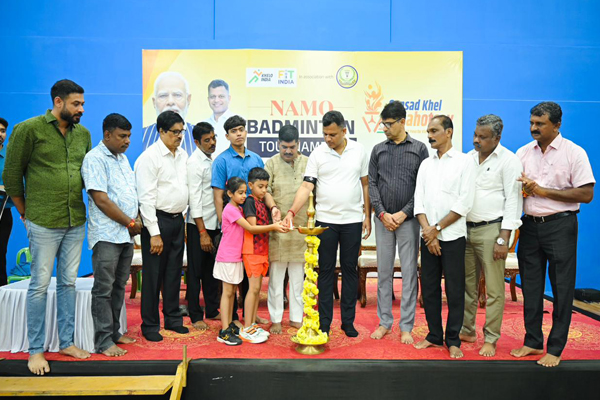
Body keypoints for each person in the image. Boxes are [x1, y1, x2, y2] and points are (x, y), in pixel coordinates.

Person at [3, 79, 92, 374]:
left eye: (82, 103)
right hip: (42, 220)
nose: (81, 109)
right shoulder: (28, 129)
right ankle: (36, 351)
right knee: (39, 286)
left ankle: (67, 342)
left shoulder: (83, 135)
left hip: (74, 219)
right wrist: (25, 211)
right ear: (58, 102)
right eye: (76, 104)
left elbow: (86, 175)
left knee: (68, 283)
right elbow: (12, 174)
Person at [511, 102, 594, 367]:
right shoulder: (523, 152)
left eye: (540, 123)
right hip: (529, 226)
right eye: (531, 123)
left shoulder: (574, 153)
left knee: (561, 288)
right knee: (530, 287)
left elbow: (586, 194)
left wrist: (542, 191)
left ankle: (555, 348)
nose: (533, 128)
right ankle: (533, 341)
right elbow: (516, 190)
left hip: (561, 226)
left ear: (557, 125)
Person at [284, 110, 371, 337]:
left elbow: (365, 184)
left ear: (344, 131)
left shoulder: (359, 151)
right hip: (325, 222)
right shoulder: (318, 153)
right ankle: (324, 322)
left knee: (350, 270)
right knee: (325, 271)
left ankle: (348, 322)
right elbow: (306, 186)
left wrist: (367, 216)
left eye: (332, 134)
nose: (328, 138)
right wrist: (292, 211)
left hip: (353, 220)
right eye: (325, 134)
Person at [459, 115, 523, 357]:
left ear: (497, 137)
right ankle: (467, 330)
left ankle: (491, 338)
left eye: (483, 137)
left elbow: (513, 200)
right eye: (475, 135)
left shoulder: (509, 160)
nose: (476, 140)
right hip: (465, 229)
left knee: (495, 290)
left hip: (492, 230)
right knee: (468, 286)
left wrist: (503, 238)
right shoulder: (468, 158)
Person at [413, 115, 475, 359]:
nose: (429, 136)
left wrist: (436, 229)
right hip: (428, 236)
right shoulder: (425, 165)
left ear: (448, 132)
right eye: (428, 131)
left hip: (453, 236)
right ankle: (433, 335)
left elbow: (464, 202)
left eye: (434, 130)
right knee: (429, 288)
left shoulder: (464, 162)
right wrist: (429, 233)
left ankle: (453, 339)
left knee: (454, 289)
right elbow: (419, 201)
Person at [368, 101, 429, 343]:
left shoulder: (419, 149)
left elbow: (422, 187)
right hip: (383, 221)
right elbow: (372, 184)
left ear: (403, 122)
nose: (385, 128)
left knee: (409, 273)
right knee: (383, 273)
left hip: (409, 221)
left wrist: (404, 213)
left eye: (389, 124)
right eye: (382, 124)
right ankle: (384, 322)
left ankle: (406, 326)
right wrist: (382, 213)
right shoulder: (378, 150)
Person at [81, 113, 141, 356]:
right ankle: (104, 341)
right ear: (107, 135)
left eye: (129, 136)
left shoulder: (123, 159)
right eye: (122, 136)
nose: (127, 141)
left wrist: (134, 221)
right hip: (107, 235)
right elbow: (101, 199)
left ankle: (115, 332)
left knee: (119, 286)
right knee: (103, 289)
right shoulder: (94, 158)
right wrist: (130, 222)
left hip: (125, 235)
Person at [212, 115, 279, 325]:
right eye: (233, 131)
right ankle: (232, 319)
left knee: (249, 277)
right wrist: (223, 225)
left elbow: (263, 190)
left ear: (246, 131)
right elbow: (218, 195)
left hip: (253, 224)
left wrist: (273, 207)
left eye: (241, 129)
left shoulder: (256, 159)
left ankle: (250, 316)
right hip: (235, 225)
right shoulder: (221, 161)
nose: (238, 134)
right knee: (231, 281)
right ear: (227, 136)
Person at [135, 110, 189, 342]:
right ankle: (150, 325)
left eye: (181, 132)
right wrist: (154, 233)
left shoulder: (183, 155)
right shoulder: (149, 158)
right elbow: (146, 198)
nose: (179, 136)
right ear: (161, 131)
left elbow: (184, 188)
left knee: (174, 273)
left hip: (178, 220)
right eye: (175, 132)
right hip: (156, 222)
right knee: (153, 277)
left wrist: (183, 218)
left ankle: (173, 319)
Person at [214, 177, 287, 345]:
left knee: (232, 292)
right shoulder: (230, 210)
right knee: (227, 293)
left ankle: (229, 326)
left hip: (235, 256)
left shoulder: (238, 208)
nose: (243, 196)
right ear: (229, 194)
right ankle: (224, 331)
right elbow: (251, 228)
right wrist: (274, 227)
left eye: (244, 192)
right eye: (240, 193)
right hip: (227, 256)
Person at [264, 125, 309, 334]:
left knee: (298, 279)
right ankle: (275, 319)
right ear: (278, 144)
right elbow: (265, 190)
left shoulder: (307, 163)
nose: (288, 151)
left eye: (292, 147)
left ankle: (296, 318)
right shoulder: (271, 163)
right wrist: (273, 207)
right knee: (276, 279)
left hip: (301, 229)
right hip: (278, 229)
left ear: (298, 144)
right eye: (284, 147)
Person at [186, 122, 221, 330]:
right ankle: (195, 314)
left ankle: (213, 309)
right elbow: (194, 199)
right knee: (195, 272)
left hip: (214, 223)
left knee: (211, 271)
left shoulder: (211, 159)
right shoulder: (194, 163)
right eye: (207, 140)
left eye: (213, 138)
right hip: (198, 226)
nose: (212, 143)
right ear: (197, 142)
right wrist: (202, 232)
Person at [142, 71, 195, 156]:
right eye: (163, 96)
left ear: (188, 100)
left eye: (177, 95)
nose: (170, 102)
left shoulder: (201, 135)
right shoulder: (142, 136)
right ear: (154, 102)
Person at [0, 117, 14, 287]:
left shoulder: (10, 158)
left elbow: (17, 184)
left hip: (3, 213)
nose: (0, 134)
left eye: (3, 131)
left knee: (0, 253)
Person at [204, 79, 234, 156]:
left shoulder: (238, 123)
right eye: (213, 97)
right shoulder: (203, 125)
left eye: (221, 96)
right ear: (208, 99)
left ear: (229, 98)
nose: (216, 100)